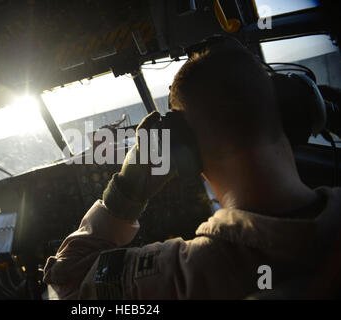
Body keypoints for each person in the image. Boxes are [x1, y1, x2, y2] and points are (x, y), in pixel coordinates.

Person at [43, 38, 341, 299]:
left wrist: (128, 187)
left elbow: (68, 283)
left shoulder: (186, 275)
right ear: (298, 114)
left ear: (182, 149)